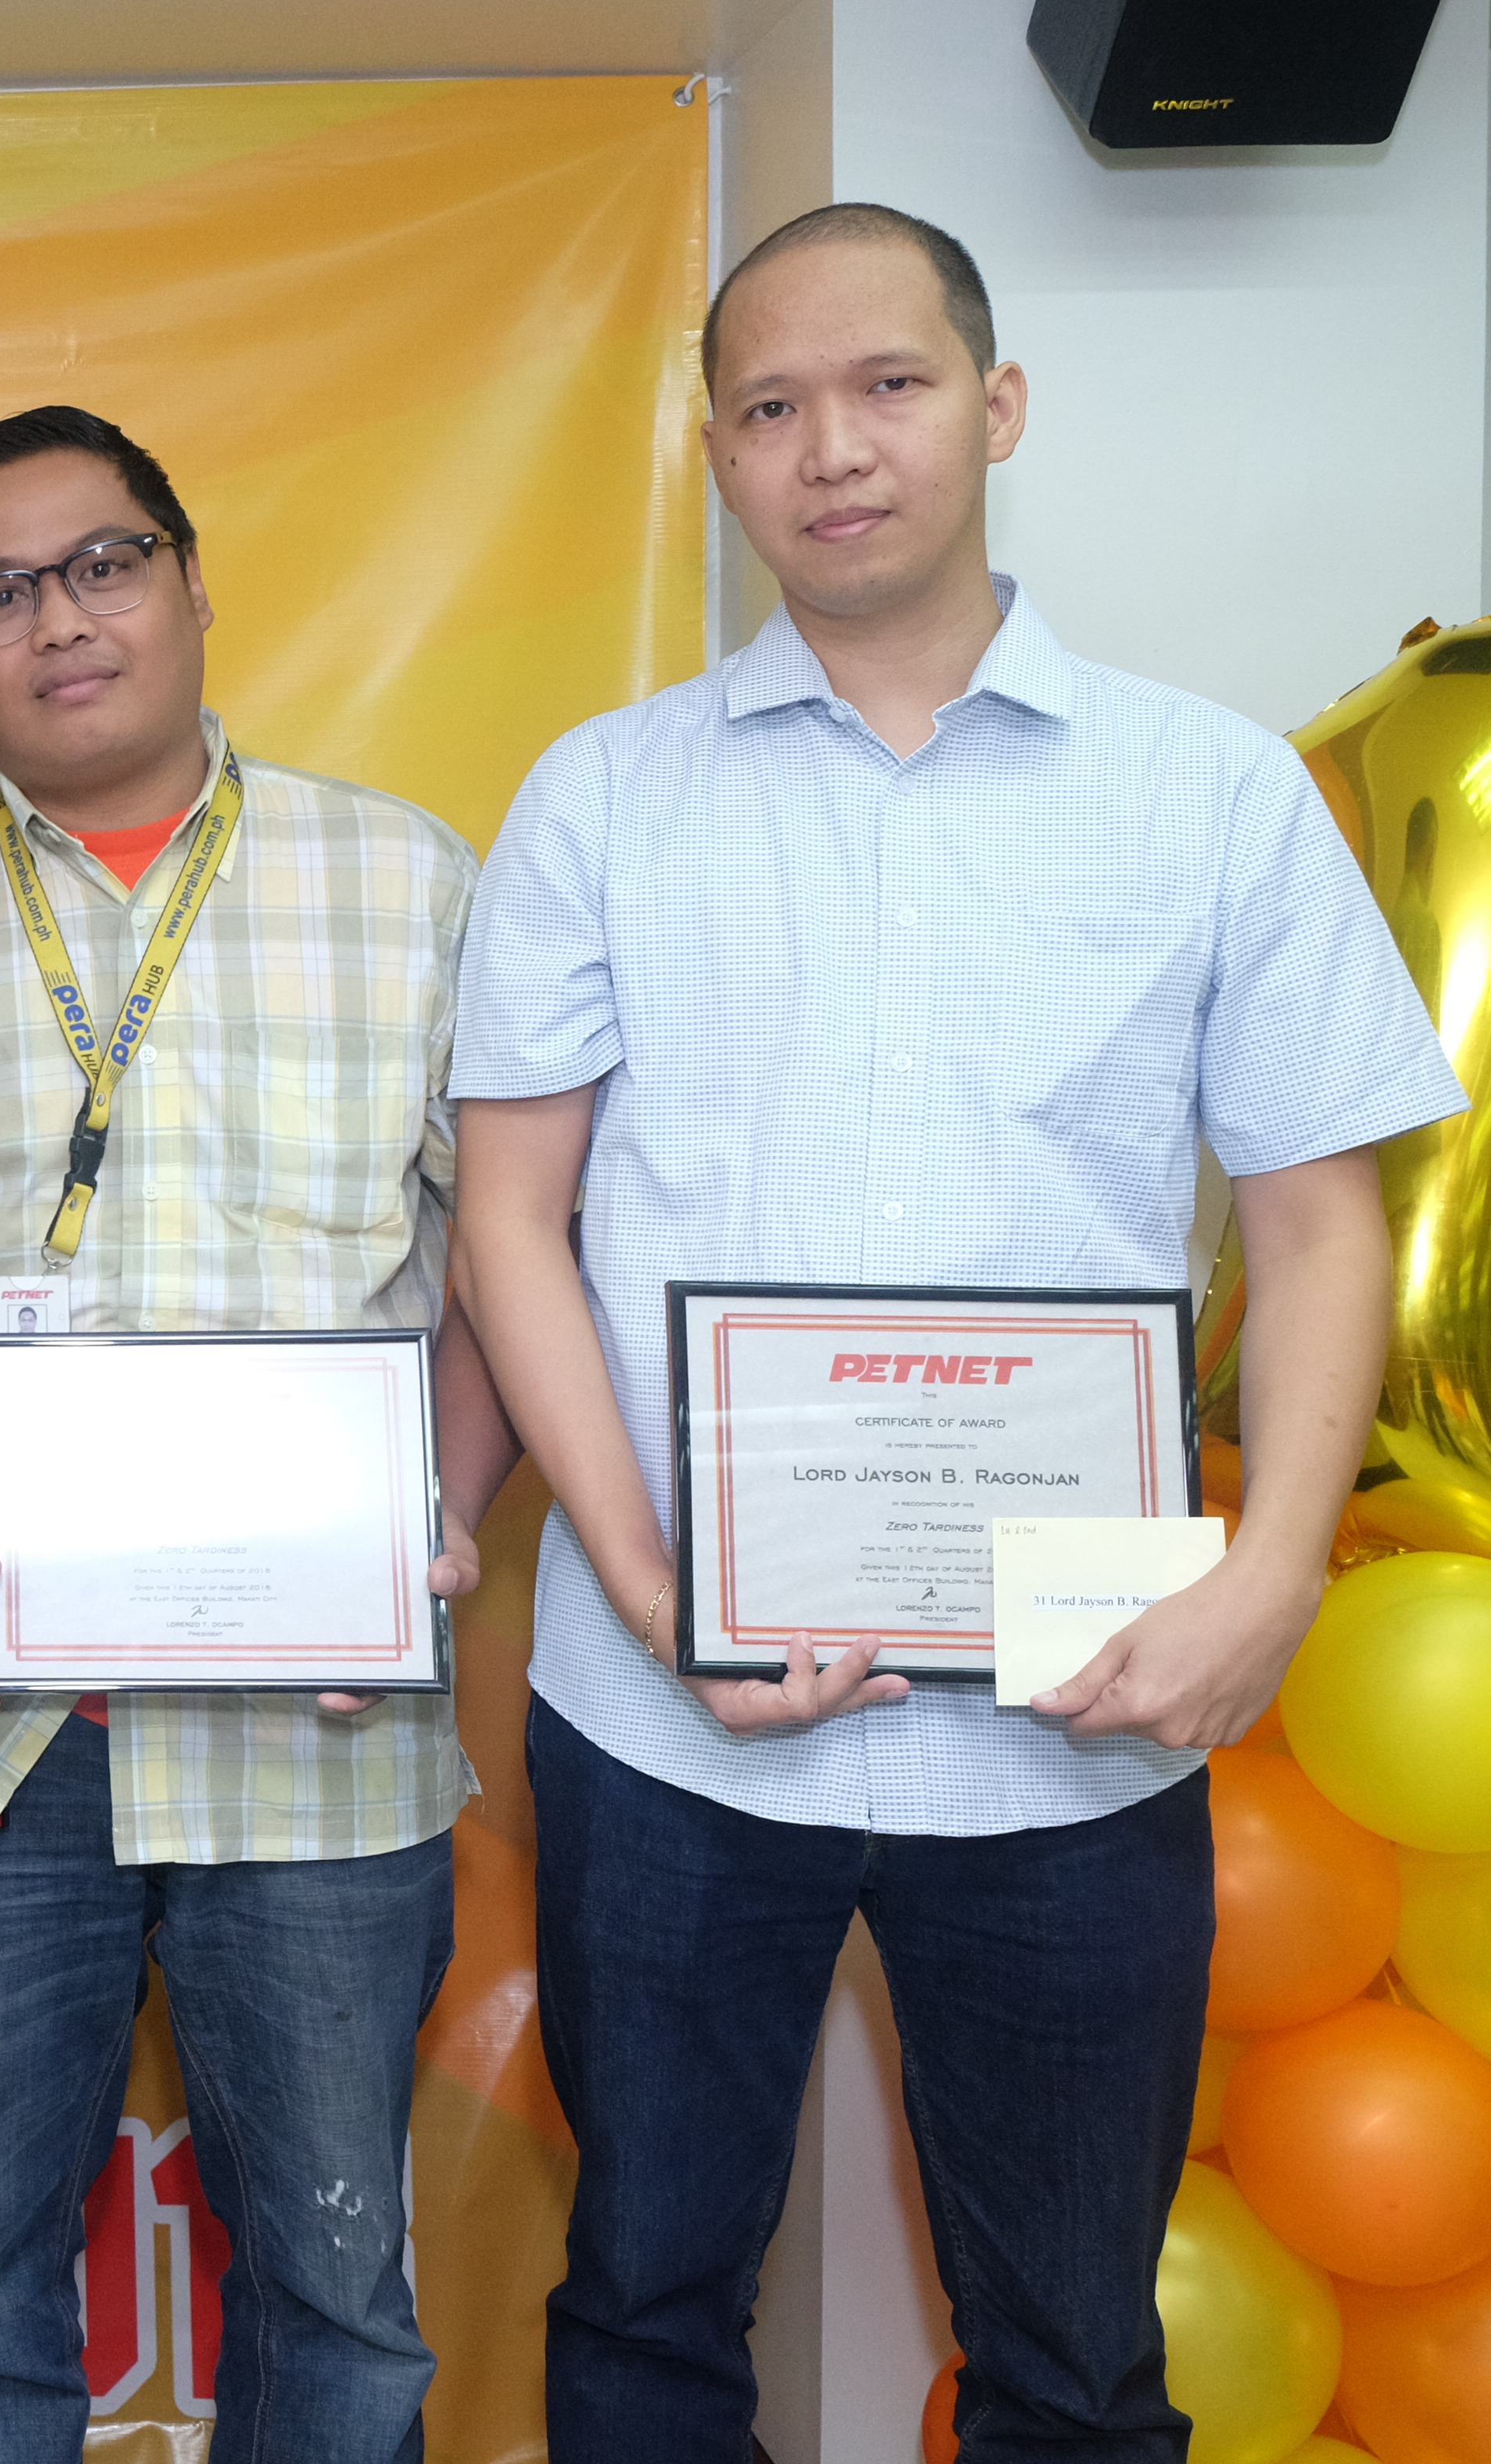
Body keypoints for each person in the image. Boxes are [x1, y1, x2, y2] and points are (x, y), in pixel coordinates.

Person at [451, 203, 1462, 2459]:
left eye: (890, 387)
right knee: (640, 2313)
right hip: (671, 1719)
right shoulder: (605, 800)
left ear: (996, 411)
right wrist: (643, 1584)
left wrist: (1273, 1575)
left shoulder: (1205, 798)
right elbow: (512, 1225)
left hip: (1081, 1715)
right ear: (714, 453)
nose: (836, 448)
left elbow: (1316, 1228)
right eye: (773, 405)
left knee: (1078, 2361)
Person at [0, 404, 516, 2464]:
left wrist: (442, 1513)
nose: (59, 622)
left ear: (194, 584)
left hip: (326, 1729)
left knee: (337, 2286)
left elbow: (499, 1267)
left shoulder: (409, 883)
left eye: (103, 564)